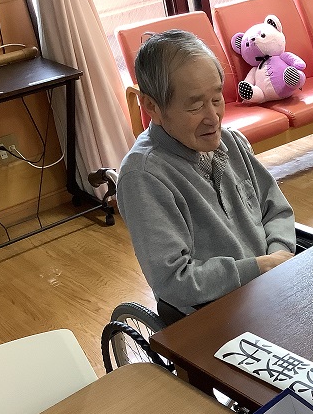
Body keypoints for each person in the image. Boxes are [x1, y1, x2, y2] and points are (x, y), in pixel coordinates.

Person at [117, 30, 296, 318]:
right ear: (152, 107)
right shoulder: (144, 176)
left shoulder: (231, 142)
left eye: (216, 99)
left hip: (268, 285)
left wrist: (278, 255)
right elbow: (173, 280)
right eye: (195, 105)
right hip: (212, 313)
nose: (213, 118)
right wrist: (258, 268)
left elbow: (275, 210)